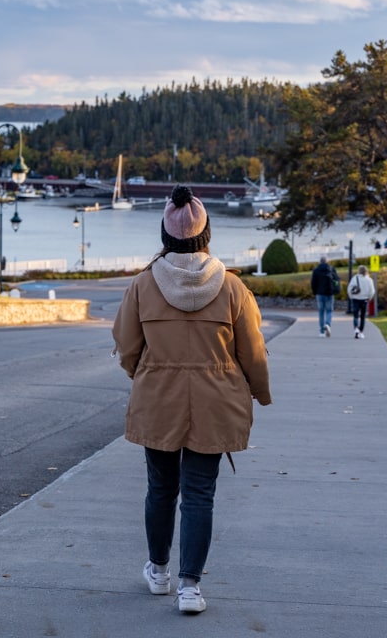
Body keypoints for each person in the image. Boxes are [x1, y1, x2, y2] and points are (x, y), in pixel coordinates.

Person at [112, 185, 272, 615]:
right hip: (217, 402)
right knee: (200, 493)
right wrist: (260, 392)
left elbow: (127, 347)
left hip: (158, 400)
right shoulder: (233, 288)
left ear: (165, 235)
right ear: (206, 235)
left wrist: (145, 375)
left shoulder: (144, 284)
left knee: (160, 489)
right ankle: (190, 587)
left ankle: (159, 571)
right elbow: (252, 352)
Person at [310, 255, 340, 337]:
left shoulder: (316, 270)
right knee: (329, 311)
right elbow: (336, 280)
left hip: (319, 293)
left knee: (321, 312)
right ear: (327, 261)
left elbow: (313, 283)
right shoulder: (331, 269)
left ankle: (321, 331)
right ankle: (327, 324)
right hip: (329, 293)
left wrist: (314, 292)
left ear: (320, 261)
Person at [347, 264, 377, 339]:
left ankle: (356, 328)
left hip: (356, 299)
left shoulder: (355, 278)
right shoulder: (369, 280)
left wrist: (351, 297)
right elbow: (372, 291)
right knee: (363, 316)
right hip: (364, 299)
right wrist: (369, 298)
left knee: (356, 315)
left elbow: (349, 289)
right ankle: (361, 331)